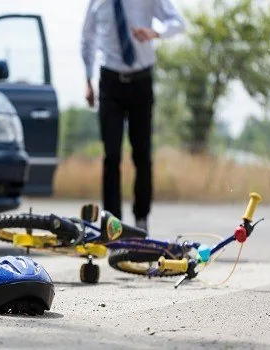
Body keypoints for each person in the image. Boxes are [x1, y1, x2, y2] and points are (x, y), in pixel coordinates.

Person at [81, 0, 186, 231]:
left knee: (142, 155)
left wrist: (155, 32)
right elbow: (87, 38)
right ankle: (112, 223)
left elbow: (178, 22)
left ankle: (141, 219)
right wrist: (88, 80)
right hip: (109, 83)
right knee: (111, 157)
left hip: (141, 81)